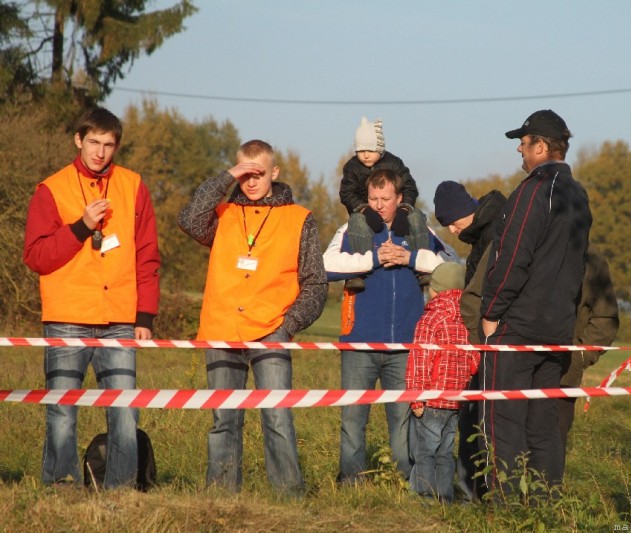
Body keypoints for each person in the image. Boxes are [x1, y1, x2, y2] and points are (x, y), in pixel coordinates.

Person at [177, 139, 327, 494]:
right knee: (223, 419)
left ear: (274, 172)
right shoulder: (223, 213)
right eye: (244, 174)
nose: (251, 181)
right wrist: (227, 176)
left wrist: (288, 326)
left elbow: (316, 282)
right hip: (221, 328)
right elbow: (189, 218)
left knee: (277, 418)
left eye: (258, 173)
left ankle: (288, 499)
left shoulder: (300, 218)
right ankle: (221, 497)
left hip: (272, 330)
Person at [23, 107, 161, 488]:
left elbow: (147, 255)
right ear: (78, 140)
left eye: (108, 145)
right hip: (66, 317)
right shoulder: (51, 189)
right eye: (94, 142)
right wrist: (81, 227)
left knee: (124, 411)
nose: (100, 152)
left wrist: (145, 315)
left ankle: (121, 490)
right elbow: (36, 256)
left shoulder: (134, 185)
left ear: (117, 146)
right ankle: (61, 487)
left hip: (121, 320)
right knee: (62, 410)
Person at [479, 109, 592, 498]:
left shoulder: (534, 190)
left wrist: (492, 310)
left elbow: (513, 257)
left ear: (541, 147)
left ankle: (506, 506)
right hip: (557, 329)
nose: (520, 151)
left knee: (503, 420)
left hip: (518, 326)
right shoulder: (578, 194)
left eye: (523, 144)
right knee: (544, 423)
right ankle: (545, 502)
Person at [324, 168, 455, 484]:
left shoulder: (419, 230)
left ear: (400, 198)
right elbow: (326, 265)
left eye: (385, 198)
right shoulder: (351, 229)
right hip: (359, 342)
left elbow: (452, 265)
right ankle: (351, 482)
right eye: (373, 199)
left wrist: (410, 258)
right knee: (353, 417)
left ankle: (404, 481)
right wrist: (374, 258)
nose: (379, 205)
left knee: (403, 419)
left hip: (406, 346)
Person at [433, 180, 506, 501]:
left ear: (465, 210)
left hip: (488, 343)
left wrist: (478, 339)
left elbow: (488, 293)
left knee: (478, 422)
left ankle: (476, 493)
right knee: (472, 419)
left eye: (452, 221)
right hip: (481, 341)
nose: (451, 229)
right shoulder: (482, 233)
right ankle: (474, 491)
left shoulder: (495, 232)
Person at [405, 262, 480, 503]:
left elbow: (420, 359)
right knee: (446, 452)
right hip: (457, 400)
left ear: (435, 290)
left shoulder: (431, 318)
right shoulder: (467, 319)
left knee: (426, 451)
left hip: (432, 398)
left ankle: (424, 497)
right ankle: (445, 497)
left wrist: (416, 397)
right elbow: (474, 360)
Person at [339, 117, 429, 291]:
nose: (365, 155)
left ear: (380, 149)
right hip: (364, 211)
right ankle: (357, 273)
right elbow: (346, 193)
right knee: (357, 221)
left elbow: (409, 188)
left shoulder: (394, 163)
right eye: (360, 150)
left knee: (416, 216)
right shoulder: (352, 167)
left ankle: (422, 267)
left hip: (397, 211)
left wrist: (404, 209)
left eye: (370, 150)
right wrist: (364, 209)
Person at [557, 244, 619, 454]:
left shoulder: (591, 258)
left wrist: (579, 356)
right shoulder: (520, 242)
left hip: (564, 374)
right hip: (514, 370)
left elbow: (605, 318)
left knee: (552, 445)